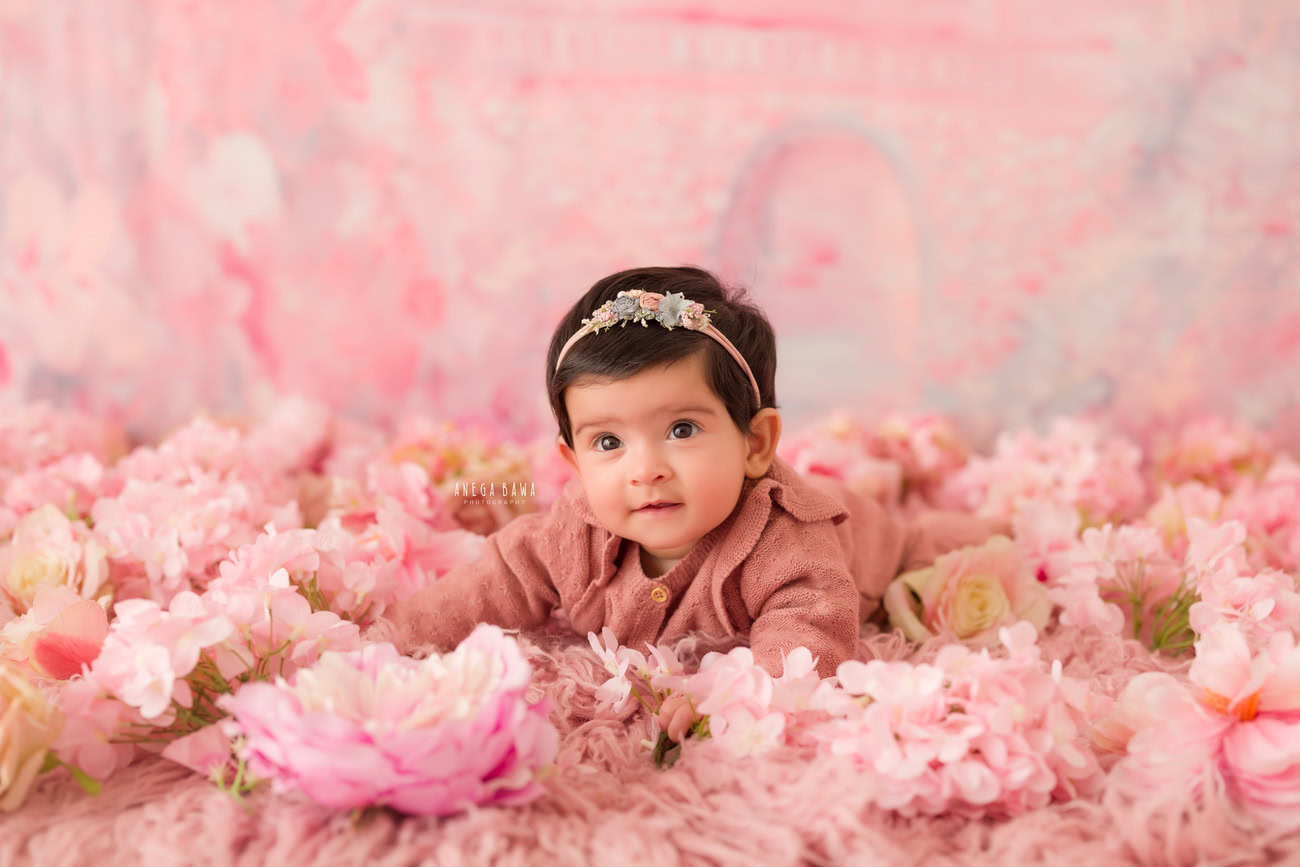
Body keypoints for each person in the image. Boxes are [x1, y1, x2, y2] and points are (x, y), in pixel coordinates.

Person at [383, 266, 1003, 678]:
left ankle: (967, 525)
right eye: (607, 442)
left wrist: (729, 708)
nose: (646, 469)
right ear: (572, 461)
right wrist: (395, 638)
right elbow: (495, 580)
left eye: (682, 430)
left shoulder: (787, 545)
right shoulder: (573, 533)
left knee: (941, 547)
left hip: (869, 543)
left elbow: (807, 637)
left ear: (755, 443)